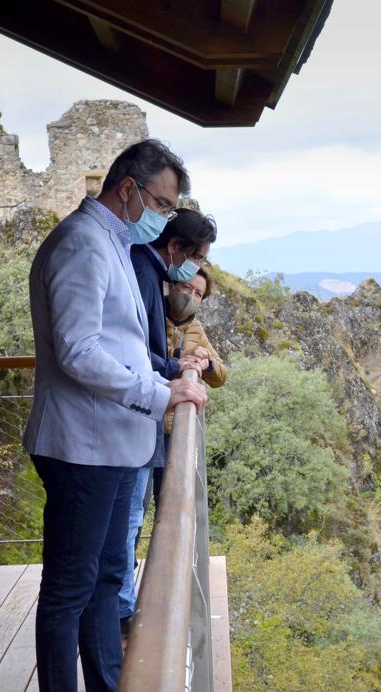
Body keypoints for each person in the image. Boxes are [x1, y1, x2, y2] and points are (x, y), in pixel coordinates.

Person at [22, 139, 207, 692]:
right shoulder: (82, 245)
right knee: (69, 589)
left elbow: (123, 345)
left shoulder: (112, 242)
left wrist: (169, 383)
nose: (166, 217)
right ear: (128, 189)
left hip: (105, 444)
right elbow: (78, 351)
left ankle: (106, 686)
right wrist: (158, 395)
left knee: (103, 580)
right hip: (82, 447)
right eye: (163, 203)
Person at [119, 207, 216, 636]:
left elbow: (220, 369)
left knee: (137, 518)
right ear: (176, 247)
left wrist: (198, 363)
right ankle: (125, 607)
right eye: (196, 259)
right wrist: (177, 367)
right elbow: (137, 353)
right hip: (136, 422)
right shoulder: (144, 274)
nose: (195, 272)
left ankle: (125, 600)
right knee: (131, 520)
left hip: (146, 423)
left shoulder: (147, 271)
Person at [150, 265, 227, 506]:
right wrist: (179, 361)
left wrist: (206, 364)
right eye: (186, 287)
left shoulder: (195, 329)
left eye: (197, 293)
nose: (190, 296)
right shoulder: (150, 316)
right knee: (135, 503)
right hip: (143, 418)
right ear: (172, 286)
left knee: (170, 496)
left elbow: (221, 376)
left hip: (173, 429)